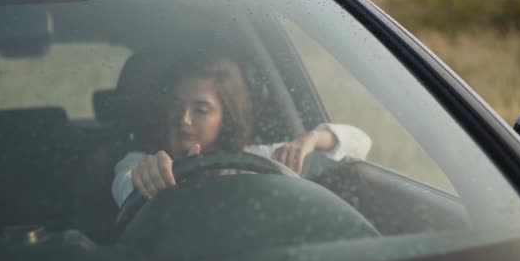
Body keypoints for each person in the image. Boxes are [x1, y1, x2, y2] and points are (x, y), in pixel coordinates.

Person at [111, 54, 371, 207]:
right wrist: (147, 176)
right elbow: (126, 185)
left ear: (227, 117)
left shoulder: (257, 160)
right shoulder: (140, 161)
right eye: (177, 107)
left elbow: (360, 144)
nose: (184, 120)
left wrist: (311, 139)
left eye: (200, 110)